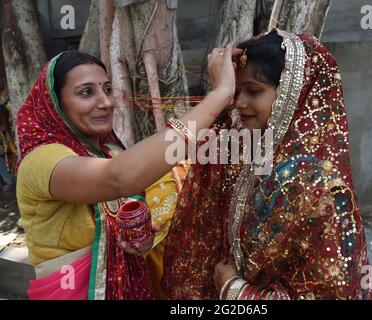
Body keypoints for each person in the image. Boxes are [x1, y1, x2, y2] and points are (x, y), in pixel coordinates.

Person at [16, 44, 240, 299]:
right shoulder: (42, 159)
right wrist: (220, 94)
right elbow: (119, 177)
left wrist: (138, 240)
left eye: (108, 89)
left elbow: (128, 198)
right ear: (54, 104)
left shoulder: (109, 150)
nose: (106, 102)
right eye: (86, 92)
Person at [162, 29, 372, 300]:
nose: (239, 103)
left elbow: (330, 293)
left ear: (293, 92)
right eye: (235, 92)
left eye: (253, 91)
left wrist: (234, 290)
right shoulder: (244, 155)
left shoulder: (324, 190)